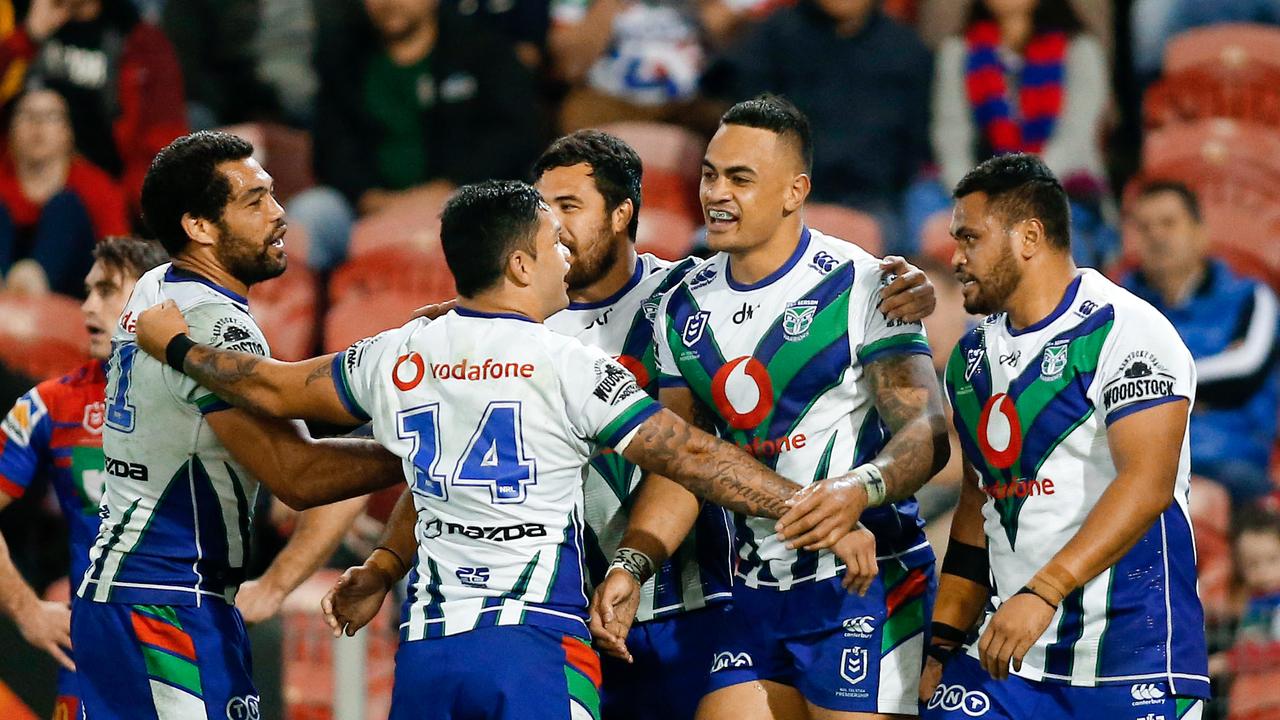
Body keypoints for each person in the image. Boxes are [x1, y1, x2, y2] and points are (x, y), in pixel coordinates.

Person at [129, 178, 880, 720]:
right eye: (551, 241)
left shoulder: (402, 351)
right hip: (535, 648)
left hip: (428, 652)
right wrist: (812, 507)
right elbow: (689, 455)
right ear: (520, 265)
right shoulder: (566, 364)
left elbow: (279, 390)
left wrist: (179, 347)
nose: (563, 253)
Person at [377, 129, 938, 719]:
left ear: (623, 215)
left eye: (570, 207)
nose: (555, 227)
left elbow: (692, 450)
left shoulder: (679, 299)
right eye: (545, 212)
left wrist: (904, 285)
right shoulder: (511, 327)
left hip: (700, 605)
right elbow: (449, 461)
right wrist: (387, 561)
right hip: (581, 613)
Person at [591, 94, 950, 720]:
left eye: (739, 178)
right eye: (708, 173)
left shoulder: (864, 284)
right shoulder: (681, 308)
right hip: (755, 591)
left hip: (866, 581)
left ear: (794, 190)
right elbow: (684, 464)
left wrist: (857, 490)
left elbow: (925, 430)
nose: (716, 193)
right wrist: (632, 563)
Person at [69, 131, 408, 720]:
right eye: (254, 201)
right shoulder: (211, 322)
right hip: (166, 602)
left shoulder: (159, 287)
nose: (279, 215)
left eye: (273, 195)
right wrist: (427, 449)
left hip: (132, 591)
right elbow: (297, 475)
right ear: (199, 226)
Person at [921, 153, 1208, 719]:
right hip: (1008, 664)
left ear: (1029, 236)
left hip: (1133, 661)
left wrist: (1044, 591)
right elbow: (980, 507)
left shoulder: (1128, 331)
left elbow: (1147, 485)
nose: (956, 259)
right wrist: (943, 642)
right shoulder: (971, 359)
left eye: (970, 239)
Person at [0, 236, 165, 720]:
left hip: (197, 654)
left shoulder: (215, 401)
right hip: (96, 662)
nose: (88, 306)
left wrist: (275, 585)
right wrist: (26, 609)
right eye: (87, 291)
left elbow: (312, 473)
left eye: (108, 290)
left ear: (156, 299)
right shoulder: (49, 405)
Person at [293, 0, 544, 271]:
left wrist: (446, 189)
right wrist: (371, 200)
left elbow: (514, 135)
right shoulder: (343, 55)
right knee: (308, 215)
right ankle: (270, 310)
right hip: (366, 208)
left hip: (463, 200)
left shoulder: (483, 48)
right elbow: (330, 147)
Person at [711, 0, 932, 253]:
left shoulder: (906, 49)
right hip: (782, 192)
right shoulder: (773, 37)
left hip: (875, 201)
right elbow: (745, 125)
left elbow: (915, 144)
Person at [916, 0, 1112, 267]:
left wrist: (1017, 191)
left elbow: (1075, 139)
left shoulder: (1079, 48)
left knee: (1061, 240)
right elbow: (951, 136)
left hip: (1060, 187)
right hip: (978, 187)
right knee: (922, 209)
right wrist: (975, 194)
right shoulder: (958, 50)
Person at [1122, 181, 1280, 506]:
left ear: (1200, 232)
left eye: (1168, 223)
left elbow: (1242, 375)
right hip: (1136, 462)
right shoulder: (1117, 306)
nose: (1156, 236)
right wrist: (1199, 389)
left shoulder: (1251, 298)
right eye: (1144, 227)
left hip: (1227, 458)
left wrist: (1148, 386)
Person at [0, 0, 187, 211]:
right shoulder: (20, 19)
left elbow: (164, 135)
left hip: (104, 191)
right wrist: (26, 37)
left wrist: (125, 201)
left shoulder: (140, 40)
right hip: (17, 184)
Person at [0, 87, 129, 297]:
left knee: (65, 207)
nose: (37, 125)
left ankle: (31, 283)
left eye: (50, 117)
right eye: (27, 115)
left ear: (68, 131)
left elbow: (120, 260)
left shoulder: (97, 186)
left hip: (74, 297)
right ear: (10, 130)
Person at [1208, 505, 1280, 720]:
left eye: (1272, 560)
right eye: (1252, 564)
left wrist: (1229, 662)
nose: (1263, 572)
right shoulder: (1252, 601)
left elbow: (1274, 650)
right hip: (1247, 702)